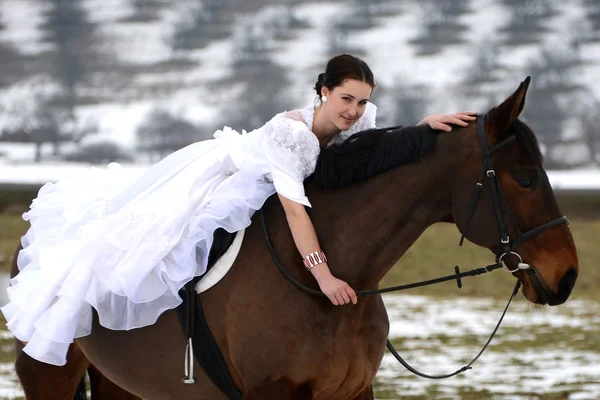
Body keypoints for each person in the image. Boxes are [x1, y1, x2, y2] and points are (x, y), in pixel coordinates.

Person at [1, 54, 475, 366]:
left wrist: (421, 128)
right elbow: (294, 211)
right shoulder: (290, 135)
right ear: (323, 92)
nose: (354, 111)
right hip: (232, 179)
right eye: (345, 98)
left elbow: (368, 145)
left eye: (362, 101)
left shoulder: (360, 118)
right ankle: (179, 328)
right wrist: (324, 275)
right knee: (170, 243)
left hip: (275, 182)